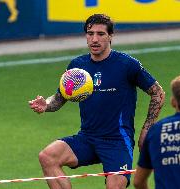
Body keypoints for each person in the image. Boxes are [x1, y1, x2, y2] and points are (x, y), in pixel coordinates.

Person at [28, 14, 165, 189]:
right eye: (90, 33)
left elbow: (158, 93)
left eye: (100, 34)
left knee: (114, 186)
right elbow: (59, 98)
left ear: (110, 36)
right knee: (47, 156)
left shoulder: (127, 65)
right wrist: (46, 104)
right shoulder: (77, 67)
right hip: (87, 138)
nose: (94, 39)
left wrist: (147, 129)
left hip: (117, 142)